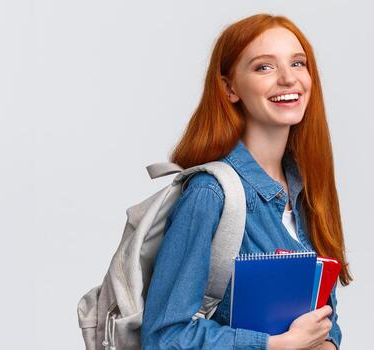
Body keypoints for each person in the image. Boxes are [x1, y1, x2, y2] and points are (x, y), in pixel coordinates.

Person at [142, 13, 352, 350]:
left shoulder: (306, 193)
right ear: (229, 88)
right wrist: (277, 345)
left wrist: (326, 343)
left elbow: (325, 323)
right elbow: (164, 337)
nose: (288, 79)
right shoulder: (210, 193)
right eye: (264, 67)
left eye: (298, 63)